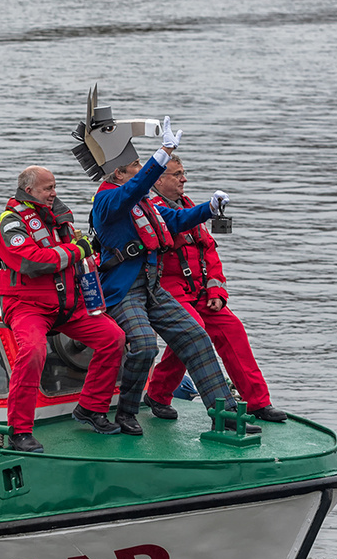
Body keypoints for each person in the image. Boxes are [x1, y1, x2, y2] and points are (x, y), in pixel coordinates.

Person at [89, 123, 253, 435]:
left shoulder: (139, 201)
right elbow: (134, 189)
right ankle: (127, 412)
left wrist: (209, 208)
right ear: (118, 174)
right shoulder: (108, 201)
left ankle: (226, 414)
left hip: (151, 287)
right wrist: (164, 153)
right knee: (145, 345)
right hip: (123, 291)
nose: (140, 173)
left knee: (195, 336)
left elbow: (176, 219)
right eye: (135, 167)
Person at [0, 166, 127, 454]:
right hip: (27, 306)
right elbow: (33, 261)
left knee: (113, 338)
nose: (54, 193)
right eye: (47, 188)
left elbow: (77, 254)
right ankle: (20, 430)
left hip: (67, 304)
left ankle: (91, 408)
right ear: (29, 191)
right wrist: (78, 251)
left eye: (54, 187)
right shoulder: (11, 223)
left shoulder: (58, 219)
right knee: (33, 352)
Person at [143, 156, 287, 423]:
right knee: (192, 331)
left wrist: (217, 293)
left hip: (198, 291)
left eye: (184, 173)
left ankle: (257, 402)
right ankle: (160, 393)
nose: (184, 179)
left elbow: (208, 251)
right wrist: (207, 209)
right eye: (177, 174)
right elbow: (176, 222)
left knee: (232, 330)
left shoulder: (186, 205)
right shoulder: (152, 210)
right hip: (168, 291)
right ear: (158, 180)